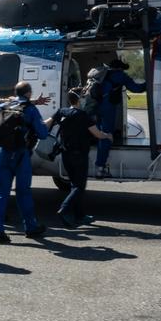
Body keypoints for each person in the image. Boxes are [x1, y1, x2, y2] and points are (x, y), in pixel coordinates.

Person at [0, 81, 51, 243]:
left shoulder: (1, 108)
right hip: (21, 156)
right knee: (23, 193)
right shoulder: (30, 109)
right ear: (29, 93)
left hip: (2, 155)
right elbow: (43, 134)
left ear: (15, 92)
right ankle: (30, 227)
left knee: (0, 193)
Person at [46, 89, 112, 227]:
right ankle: (64, 209)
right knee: (79, 186)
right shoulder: (84, 116)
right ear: (79, 99)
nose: (84, 99)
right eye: (83, 97)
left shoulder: (61, 112)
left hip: (65, 154)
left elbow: (47, 123)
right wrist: (107, 136)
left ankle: (80, 215)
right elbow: (97, 134)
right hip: (79, 156)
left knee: (74, 184)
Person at [92, 58, 145, 178]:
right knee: (106, 136)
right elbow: (136, 89)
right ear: (120, 68)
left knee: (101, 135)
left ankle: (101, 164)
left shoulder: (103, 74)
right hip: (108, 109)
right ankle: (100, 168)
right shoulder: (120, 76)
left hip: (97, 107)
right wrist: (149, 83)